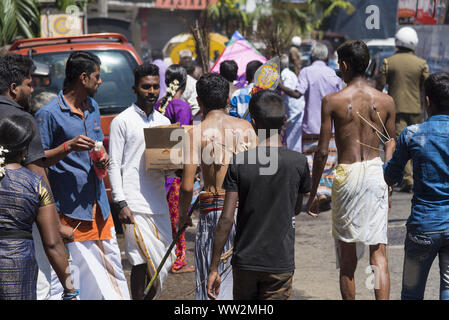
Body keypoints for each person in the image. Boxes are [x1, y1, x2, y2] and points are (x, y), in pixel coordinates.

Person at [35, 51, 130, 300]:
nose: (101, 82)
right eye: (97, 77)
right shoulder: (48, 114)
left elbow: (97, 144)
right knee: (81, 276)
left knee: (112, 270)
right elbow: (38, 161)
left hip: (99, 206)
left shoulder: (93, 107)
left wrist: (103, 156)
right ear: (83, 77)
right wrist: (68, 146)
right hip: (70, 209)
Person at [306, 40, 396, 300]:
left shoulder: (333, 100)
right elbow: (391, 142)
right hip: (375, 171)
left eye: (339, 64)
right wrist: (388, 182)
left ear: (344, 65)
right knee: (378, 252)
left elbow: (322, 152)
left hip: (348, 174)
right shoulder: (386, 100)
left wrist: (313, 193)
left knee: (347, 258)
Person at [207, 90, 311, 300]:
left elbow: (226, 219)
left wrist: (214, 267)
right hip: (279, 262)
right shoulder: (298, 162)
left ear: (253, 121)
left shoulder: (239, 162)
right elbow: (296, 208)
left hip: (245, 261)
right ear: (284, 120)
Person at [0, 53, 74, 300]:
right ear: (13, 88)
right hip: (21, 225)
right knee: (41, 285)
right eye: (29, 85)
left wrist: (66, 147)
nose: (32, 91)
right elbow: (36, 169)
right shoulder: (22, 119)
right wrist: (55, 220)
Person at [177, 73, 257, 300]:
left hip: (213, 212)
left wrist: (182, 217)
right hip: (244, 211)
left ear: (200, 102)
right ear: (227, 100)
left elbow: (186, 187)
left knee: (209, 280)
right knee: (242, 281)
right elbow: (256, 175)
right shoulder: (247, 128)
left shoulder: (194, 133)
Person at [108, 62, 176, 299]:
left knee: (164, 262)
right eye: (146, 87)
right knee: (139, 262)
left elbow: (168, 170)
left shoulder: (164, 124)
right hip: (133, 204)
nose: (151, 92)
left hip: (158, 204)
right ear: (135, 88)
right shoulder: (122, 121)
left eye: (155, 87)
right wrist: (120, 201)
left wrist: (182, 166)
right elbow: (114, 164)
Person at [383, 72, 449, 300]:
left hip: (422, 227)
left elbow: (391, 176)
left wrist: (386, 153)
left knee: (411, 293)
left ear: (427, 101)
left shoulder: (412, 135)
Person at [376, 26, 430, 193]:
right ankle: (416, 177)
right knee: (418, 143)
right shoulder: (421, 63)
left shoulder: (389, 61)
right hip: (416, 109)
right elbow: (427, 87)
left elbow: (380, 85)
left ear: (397, 41)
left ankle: (407, 179)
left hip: (396, 110)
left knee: (401, 143)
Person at [154, 64, 195, 274]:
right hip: (177, 171)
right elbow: (185, 141)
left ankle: (167, 256)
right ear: (185, 83)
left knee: (167, 217)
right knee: (179, 215)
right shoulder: (182, 107)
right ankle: (178, 259)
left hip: (160, 170)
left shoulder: (159, 105)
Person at [298, 42, 342, 211]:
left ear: (312, 56)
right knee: (328, 162)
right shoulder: (333, 74)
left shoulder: (306, 72)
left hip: (309, 125)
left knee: (310, 161)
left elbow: (298, 92)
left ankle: (314, 193)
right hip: (329, 127)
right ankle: (324, 193)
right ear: (326, 57)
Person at [277, 54, 305, 152]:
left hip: (294, 114)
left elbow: (289, 90)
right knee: (293, 142)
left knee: (292, 144)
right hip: (295, 114)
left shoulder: (286, 75)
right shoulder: (289, 74)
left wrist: (279, 86)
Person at [179, 50, 201, 121]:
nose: (187, 60)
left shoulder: (176, 81)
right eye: (184, 58)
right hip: (191, 119)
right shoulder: (193, 82)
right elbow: (195, 108)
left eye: (188, 58)